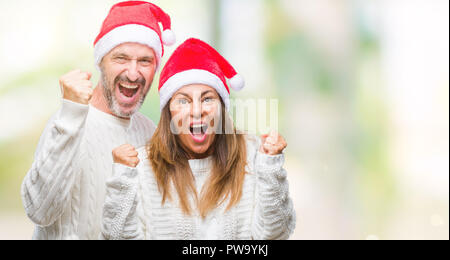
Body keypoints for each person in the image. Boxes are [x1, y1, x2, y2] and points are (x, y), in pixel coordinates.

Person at [101, 38, 296, 240]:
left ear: (222, 108)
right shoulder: (142, 165)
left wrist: (271, 167)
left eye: (208, 98)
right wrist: (122, 179)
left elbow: (276, 234)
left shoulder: (253, 154)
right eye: (183, 100)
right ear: (169, 111)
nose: (196, 111)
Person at [21, 1, 176, 239]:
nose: (133, 73)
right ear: (100, 62)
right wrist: (71, 113)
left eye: (145, 61)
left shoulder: (149, 131)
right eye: (121, 58)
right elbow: (39, 212)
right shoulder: (67, 122)